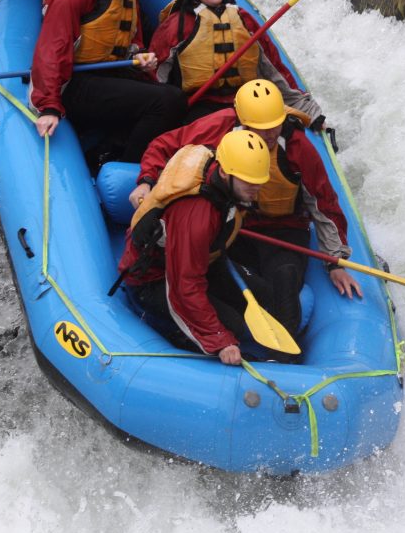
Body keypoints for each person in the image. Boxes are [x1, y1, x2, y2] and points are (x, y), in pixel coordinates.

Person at [129, 78, 362, 337]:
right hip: (235, 229)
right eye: (261, 129)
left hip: (283, 231)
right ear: (242, 122)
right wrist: (147, 180)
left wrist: (334, 262)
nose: (269, 135)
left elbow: (324, 203)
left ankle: (284, 359)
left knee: (284, 283)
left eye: (274, 126)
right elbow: (164, 146)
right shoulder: (221, 128)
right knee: (218, 287)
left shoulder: (297, 146)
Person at [118, 129, 289, 365]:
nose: (255, 188)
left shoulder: (221, 172)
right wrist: (219, 339)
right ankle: (169, 330)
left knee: (265, 295)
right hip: (154, 279)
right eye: (248, 182)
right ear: (223, 172)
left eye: (259, 181)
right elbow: (183, 286)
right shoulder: (196, 216)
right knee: (234, 327)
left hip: (199, 259)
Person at [29, 0, 186, 163]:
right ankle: (127, 166)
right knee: (167, 101)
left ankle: (109, 150)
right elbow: (52, 46)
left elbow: (129, 36)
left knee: (176, 94)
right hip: (75, 83)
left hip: (109, 74)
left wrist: (139, 56)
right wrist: (49, 106)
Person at [149, 0, 325, 125]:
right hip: (201, 106)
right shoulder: (176, 27)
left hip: (248, 99)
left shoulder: (242, 18)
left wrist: (304, 107)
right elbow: (154, 76)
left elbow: (273, 67)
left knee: (285, 131)